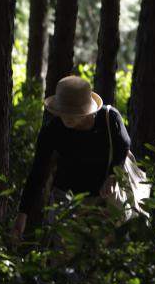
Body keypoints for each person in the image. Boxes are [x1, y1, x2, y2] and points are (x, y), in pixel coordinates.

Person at [12, 75, 131, 240]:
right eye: (63, 111)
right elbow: (38, 171)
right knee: (62, 258)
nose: (66, 117)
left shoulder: (109, 119)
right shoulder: (52, 129)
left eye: (73, 112)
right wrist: (22, 214)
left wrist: (113, 174)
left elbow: (124, 145)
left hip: (102, 201)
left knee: (100, 257)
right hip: (65, 201)